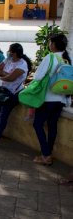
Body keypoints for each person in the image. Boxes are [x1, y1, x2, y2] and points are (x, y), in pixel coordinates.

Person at [0, 43, 32, 149]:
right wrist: (2, 74)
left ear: (15, 53)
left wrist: (2, 74)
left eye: (10, 51)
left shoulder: (22, 65)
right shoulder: (8, 60)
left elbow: (11, 78)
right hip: (1, 92)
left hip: (11, 94)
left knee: (3, 116)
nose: (8, 53)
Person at [32, 34, 72, 165]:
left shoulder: (50, 57)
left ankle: (46, 155)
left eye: (50, 42)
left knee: (37, 124)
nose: (49, 44)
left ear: (53, 44)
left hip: (48, 98)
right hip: (61, 99)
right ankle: (47, 154)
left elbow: (37, 77)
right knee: (52, 126)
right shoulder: (68, 58)